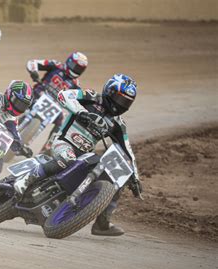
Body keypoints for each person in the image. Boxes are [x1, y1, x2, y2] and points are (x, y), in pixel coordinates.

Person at [13, 74, 142, 236]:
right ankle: (27, 179)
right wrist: (82, 112)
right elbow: (63, 95)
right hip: (63, 143)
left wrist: (135, 177)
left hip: (83, 156)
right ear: (109, 91)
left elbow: (127, 150)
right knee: (68, 158)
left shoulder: (118, 124)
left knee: (117, 178)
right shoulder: (91, 97)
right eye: (119, 98)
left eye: (126, 102)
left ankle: (102, 223)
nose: (120, 104)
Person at [26, 52, 88, 151]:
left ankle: (48, 147)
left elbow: (78, 101)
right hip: (38, 94)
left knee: (64, 121)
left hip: (56, 107)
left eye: (79, 69)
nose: (75, 69)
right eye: (74, 66)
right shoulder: (56, 65)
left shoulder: (76, 85)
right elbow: (32, 63)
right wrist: (34, 72)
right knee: (22, 91)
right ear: (69, 61)